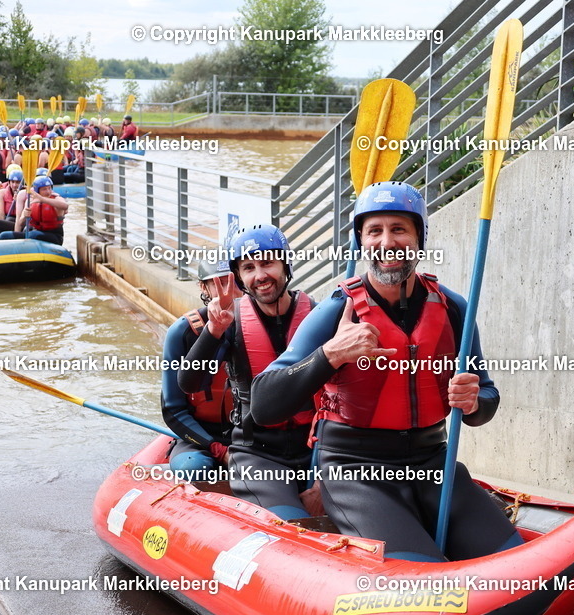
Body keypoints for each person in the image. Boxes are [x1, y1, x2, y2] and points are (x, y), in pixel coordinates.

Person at [250, 182, 522, 562]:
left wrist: (475, 402)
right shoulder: (336, 311)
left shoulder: (455, 309)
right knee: (423, 580)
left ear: (418, 238)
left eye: (399, 229)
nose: (386, 241)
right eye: (374, 231)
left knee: (515, 560)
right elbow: (263, 404)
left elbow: (487, 399)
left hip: (432, 465)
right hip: (355, 471)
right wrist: (331, 353)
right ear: (361, 241)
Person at [178, 225, 317, 520]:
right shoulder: (231, 322)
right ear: (240, 277)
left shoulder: (318, 314)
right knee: (291, 522)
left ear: (285, 264)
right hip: (258, 454)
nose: (260, 276)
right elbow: (188, 382)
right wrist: (214, 330)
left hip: (316, 451)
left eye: (268, 263)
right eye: (248, 268)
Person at [160, 257, 237, 482]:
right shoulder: (182, 333)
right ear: (204, 287)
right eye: (219, 283)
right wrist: (217, 448)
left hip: (250, 435)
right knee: (194, 468)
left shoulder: (259, 326)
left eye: (233, 282)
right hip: (200, 436)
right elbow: (173, 410)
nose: (228, 291)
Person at [0, 176, 67, 244]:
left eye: (49, 188)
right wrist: (24, 216)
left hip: (54, 236)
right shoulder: (29, 201)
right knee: (4, 235)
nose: (48, 192)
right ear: (37, 190)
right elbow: (20, 223)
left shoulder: (56, 198)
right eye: (44, 189)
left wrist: (42, 199)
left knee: (33, 235)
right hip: (34, 233)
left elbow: (65, 206)